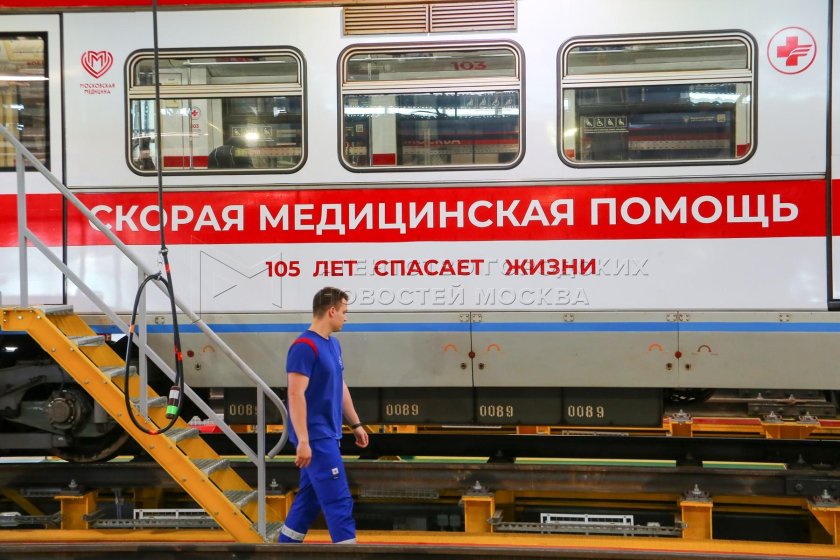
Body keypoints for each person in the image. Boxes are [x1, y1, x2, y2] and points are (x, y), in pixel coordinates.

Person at [279, 287, 369, 544]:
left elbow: (340, 385)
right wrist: (303, 441)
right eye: (344, 311)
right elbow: (295, 394)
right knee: (339, 502)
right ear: (331, 311)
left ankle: (285, 550)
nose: (346, 317)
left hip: (329, 434)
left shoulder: (333, 344)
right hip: (316, 438)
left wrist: (356, 423)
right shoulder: (304, 347)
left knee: (308, 501)